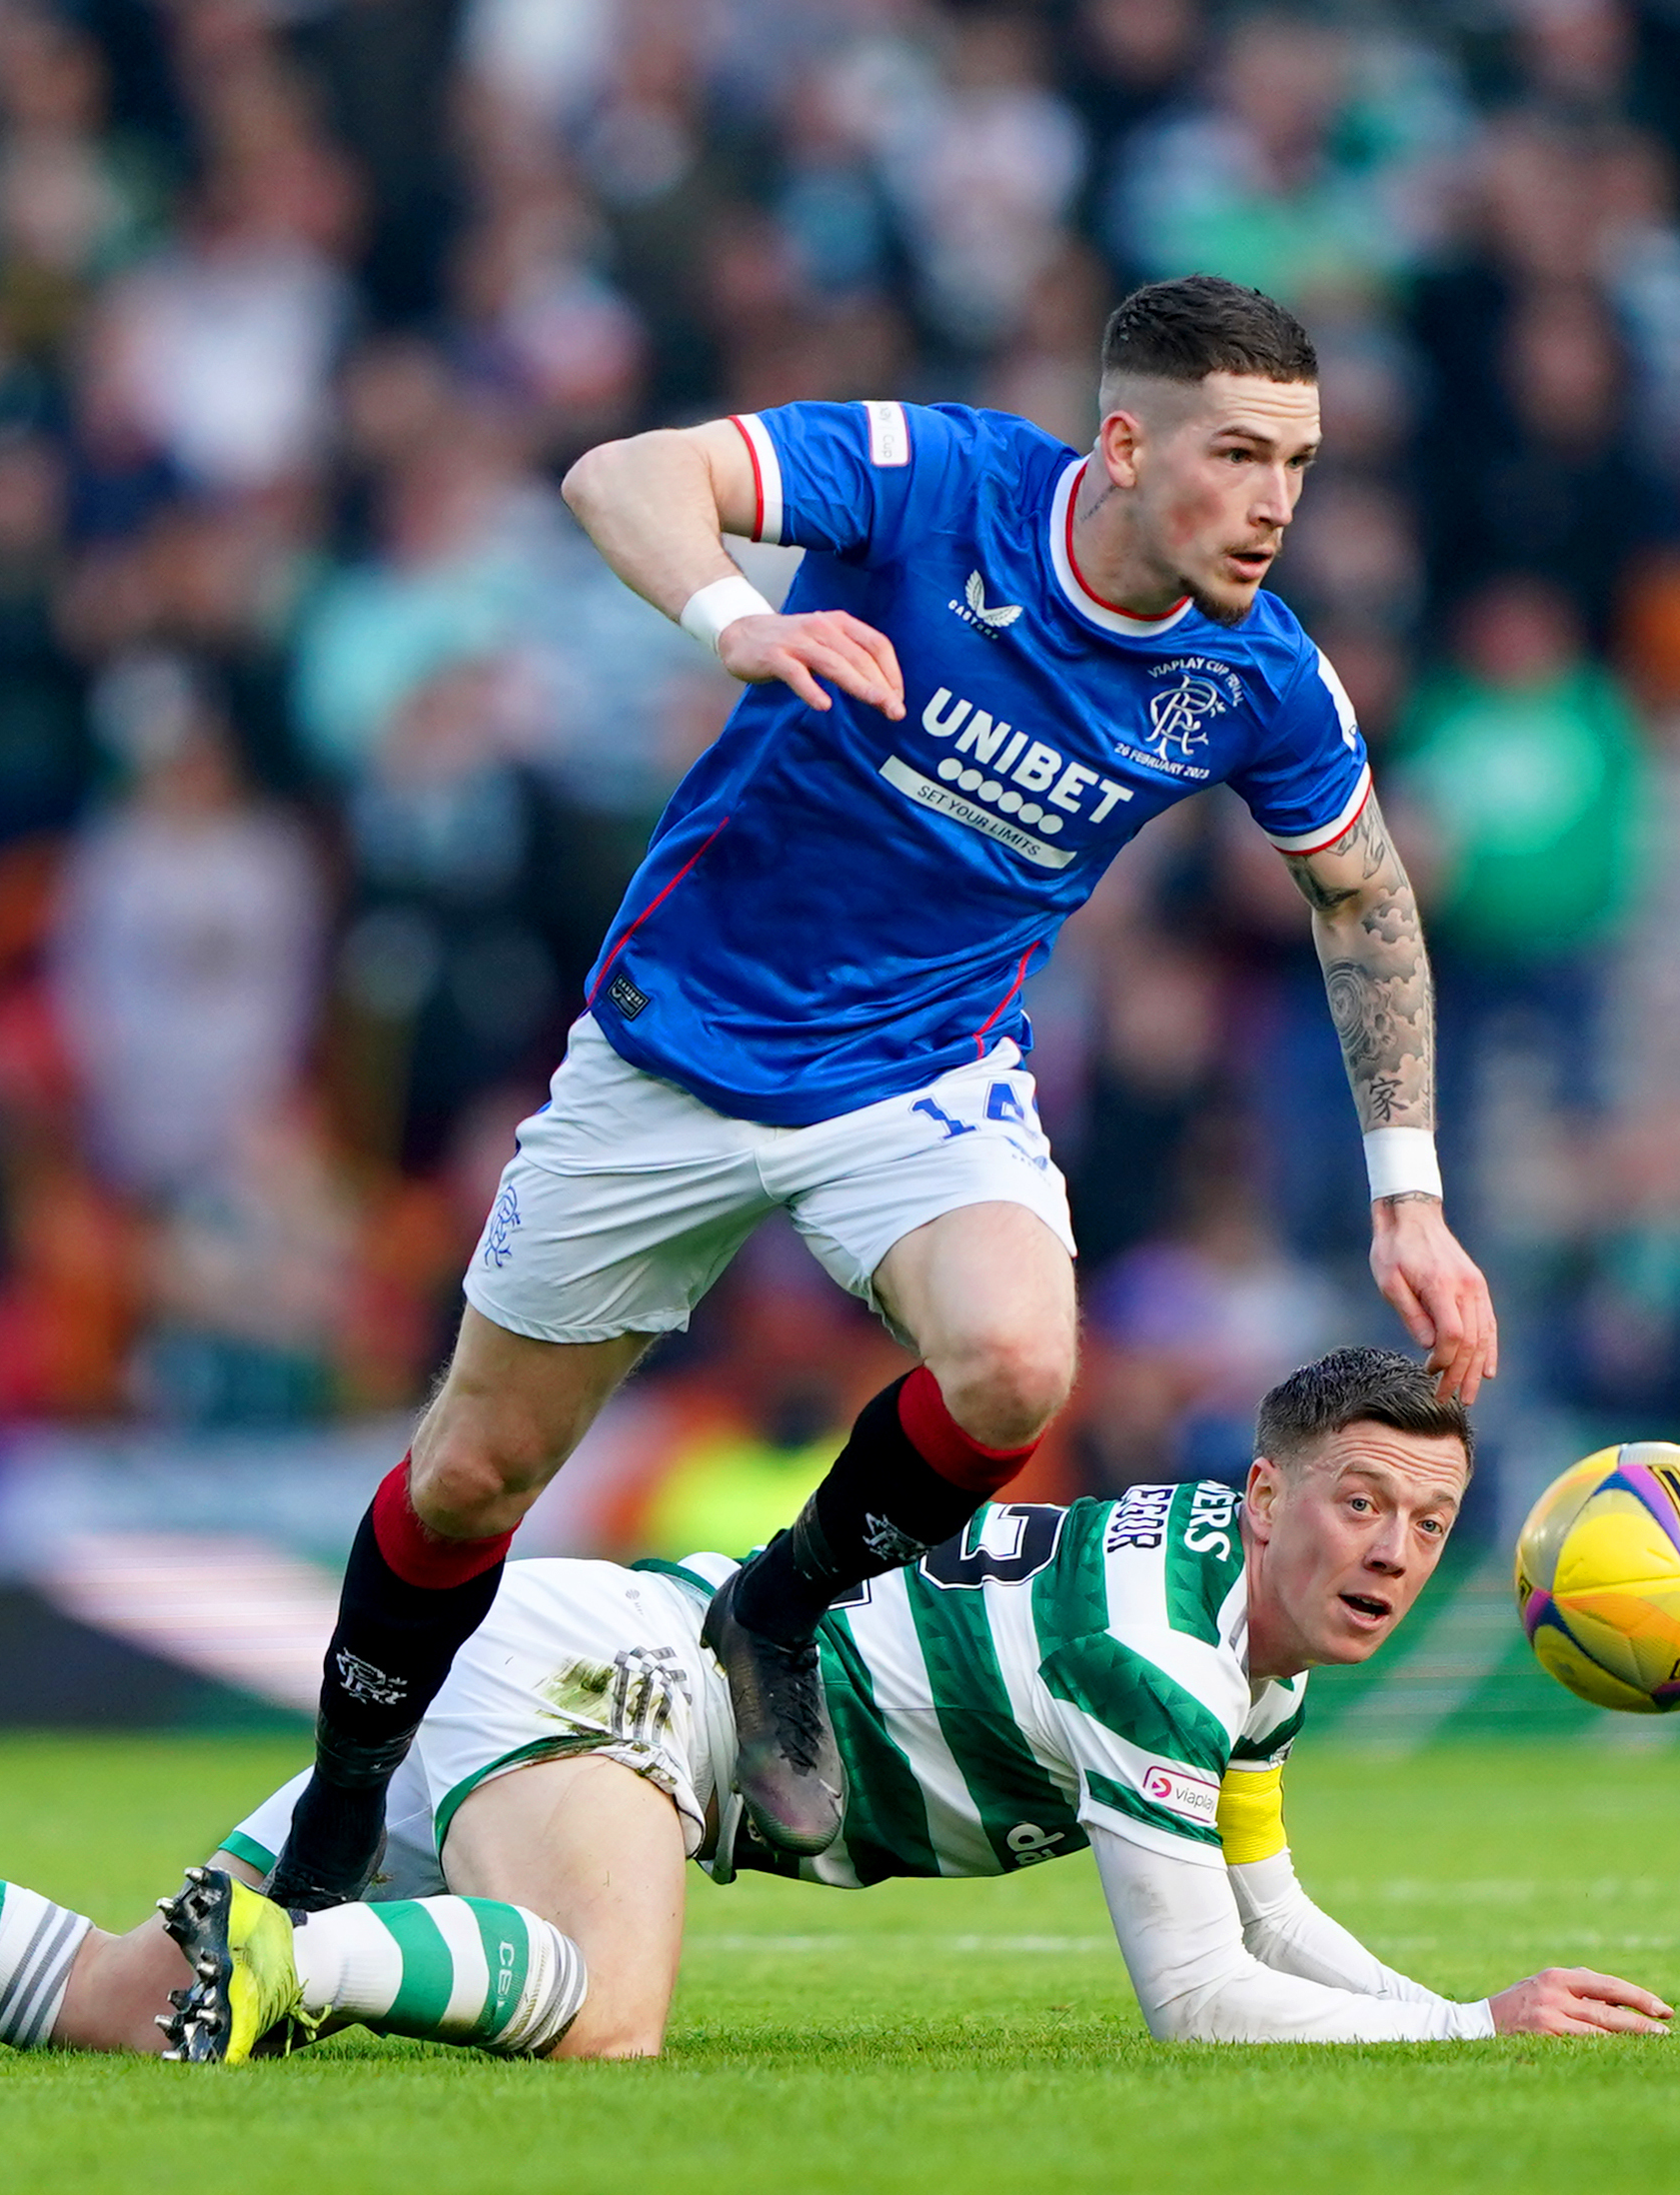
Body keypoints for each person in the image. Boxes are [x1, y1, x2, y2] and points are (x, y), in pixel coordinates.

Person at [261, 273, 1500, 1912]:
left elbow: (1360, 895)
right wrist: (738, 621)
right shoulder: (939, 481)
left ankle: (778, 1609)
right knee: (472, 1476)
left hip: (919, 1070)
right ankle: (343, 1804)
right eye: (1239, 455)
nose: (1275, 505)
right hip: (673, 1046)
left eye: (1300, 463)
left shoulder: (1259, 675)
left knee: (1012, 1364)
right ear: (1123, 443)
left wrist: (1405, 1199)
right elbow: (617, 474)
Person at [0, 1347, 1668, 2060]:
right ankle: (306, 1959)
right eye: (1357, 1505)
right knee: (608, 2014)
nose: (1388, 1550)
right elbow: (1195, 2000)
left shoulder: (1227, 1622)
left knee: (92, 1996)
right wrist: (1463, 2039)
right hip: (626, 1688)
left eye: (1424, 1520)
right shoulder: (1156, 1653)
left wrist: (1455, 2009)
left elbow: (1268, 1913)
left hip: (579, 1659)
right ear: (1266, 1491)